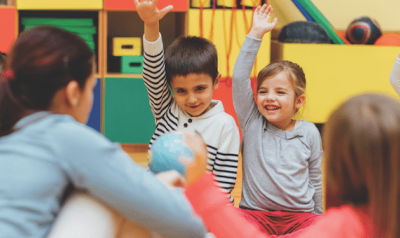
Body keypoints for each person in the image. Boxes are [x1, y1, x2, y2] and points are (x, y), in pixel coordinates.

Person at [0, 26, 208, 238]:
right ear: (73, 93)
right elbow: (187, 226)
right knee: (99, 197)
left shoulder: (10, 131)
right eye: (92, 88)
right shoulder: (66, 137)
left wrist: (155, 187)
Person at [134, 0, 240, 203]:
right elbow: (153, 73)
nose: (191, 99)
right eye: (181, 91)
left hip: (200, 205)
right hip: (159, 199)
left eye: (200, 89)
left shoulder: (225, 125)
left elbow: (224, 183)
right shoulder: (167, 109)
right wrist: (151, 25)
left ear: (216, 81)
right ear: (171, 88)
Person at [232, 4, 323, 235]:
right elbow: (240, 77)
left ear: (298, 101)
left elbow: (316, 178)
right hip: (254, 215)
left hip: (301, 217)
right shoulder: (253, 121)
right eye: (263, 91)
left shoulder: (310, 132)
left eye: (280, 92)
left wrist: (320, 217)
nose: (270, 97)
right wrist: (256, 34)